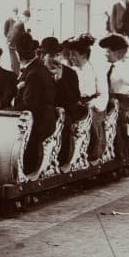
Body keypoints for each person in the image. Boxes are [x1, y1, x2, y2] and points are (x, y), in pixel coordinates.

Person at [12, 33, 57, 173]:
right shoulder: (38, 69)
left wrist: (11, 103)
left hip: (39, 122)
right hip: (44, 117)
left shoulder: (33, 74)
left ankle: (24, 171)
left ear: (19, 55)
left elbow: (28, 105)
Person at [41, 36, 84, 166]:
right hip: (43, 112)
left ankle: (59, 162)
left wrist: (60, 81)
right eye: (51, 56)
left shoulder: (70, 73)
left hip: (65, 112)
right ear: (43, 56)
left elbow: (74, 98)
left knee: (63, 125)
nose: (55, 59)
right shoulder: (38, 72)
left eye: (58, 55)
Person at [68, 34, 108, 161]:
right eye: (70, 54)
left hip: (93, 105)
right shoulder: (70, 71)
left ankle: (91, 156)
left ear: (84, 55)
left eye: (74, 54)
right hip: (75, 103)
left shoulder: (97, 71)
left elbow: (103, 94)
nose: (71, 57)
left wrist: (93, 104)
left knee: (89, 120)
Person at [5, 7, 25, 75]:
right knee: (13, 58)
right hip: (11, 42)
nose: (15, 13)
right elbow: (5, 32)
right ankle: (15, 72)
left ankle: (17, 71)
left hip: (17, 42)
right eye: (14, 12)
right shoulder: (8, 20)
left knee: (18, 58)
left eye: (16, 12)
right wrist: (9, 39)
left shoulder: (19, 21)